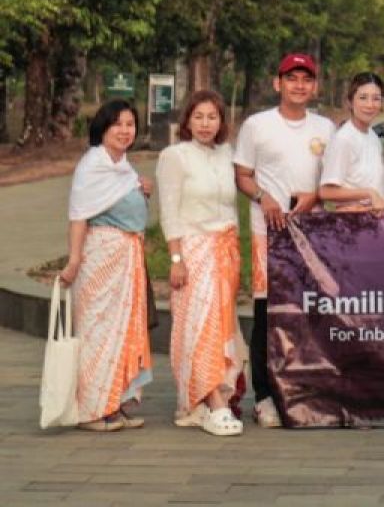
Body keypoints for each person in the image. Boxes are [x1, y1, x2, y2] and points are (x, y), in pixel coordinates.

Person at [233, 52, 335, 428]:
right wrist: (263, 196)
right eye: (291, 78)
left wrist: (316, 197)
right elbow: (242, 174)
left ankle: (307, 389)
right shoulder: (257, 126)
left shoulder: (326, 129)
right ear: (278, 83)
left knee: (311, 312)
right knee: (267, 313)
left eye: (306, 79)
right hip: (270, 234)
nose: (299, 85)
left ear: (314, 86)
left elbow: (333, 181)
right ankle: (264, 395)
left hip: (313, 235)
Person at [60, 99, 153, 431]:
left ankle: (114, 402)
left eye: (130, 125)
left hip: (127, 258)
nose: (125, 131)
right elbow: (78, 217)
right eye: (118, 124)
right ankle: (91, 409)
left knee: (124, 331)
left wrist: (144, 190)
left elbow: (128, 206)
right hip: (101, 258)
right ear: (103, 128)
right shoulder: (93, 165)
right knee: (99, 332)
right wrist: (73, 261)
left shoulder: (124, 166)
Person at [156, 90, 243, 436]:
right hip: (194, 250)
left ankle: (203, 400)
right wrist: (176, 259)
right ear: (187, 120)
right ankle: (212, 402)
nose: (206, 124)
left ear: (221, 121)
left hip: (226, 252)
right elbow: (169, 212)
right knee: (200, 327)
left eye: (212, 117)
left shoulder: (225, 154)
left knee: (223, 328)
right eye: (199, 117)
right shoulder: (174, 156)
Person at [319, 72, 384, 214]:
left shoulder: (372, 136)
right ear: (350, 102)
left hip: (374, 220)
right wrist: (369, 193)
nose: (370, 105)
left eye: (376, 99)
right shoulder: (343, 139)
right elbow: (326, 192)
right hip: (352, 223)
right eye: (363, 98)